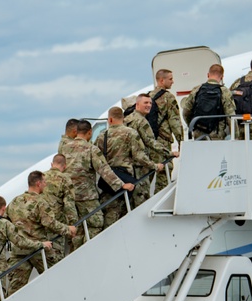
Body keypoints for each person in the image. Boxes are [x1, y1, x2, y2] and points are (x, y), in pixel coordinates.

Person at [63, 119, 134, 248]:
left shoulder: (65, 148)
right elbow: (104, 169)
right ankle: (88, 250)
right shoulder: (91, 148)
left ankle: (77, 253)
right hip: (86, 196)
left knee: (77, 227)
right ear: (89, 132)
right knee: (96, 222)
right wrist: (121, 185)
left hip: (69, 196)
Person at [5, 171, 75, 294]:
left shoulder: (14, 201)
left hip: (19, 250)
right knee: (58, 279)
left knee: (14, 292)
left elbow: (6, 222)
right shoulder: (40, 202)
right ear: (38, 183)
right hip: (38, 249)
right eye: (44, 182)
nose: (45, 184)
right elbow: (50, 223)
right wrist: (68, 230)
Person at [98, 107, 161, 225]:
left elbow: (98, 160)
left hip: (109, 179)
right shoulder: (131, 133)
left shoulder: (102, 136)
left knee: (111, 216)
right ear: (123, 118)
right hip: (126, 178)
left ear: (109, 120)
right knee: (128, 214)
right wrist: (154, 166)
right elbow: (139, 156)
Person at [125, 94, 176, 202]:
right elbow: (150, 141)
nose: (149, 105)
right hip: (140, 164)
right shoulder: (142, 121)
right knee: (142, 197)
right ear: (137, 104)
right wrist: (169, 153)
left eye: (150, 103)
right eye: (145, 103)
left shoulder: (128, 119)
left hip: (128, 164)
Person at [182, 63, 236, 141]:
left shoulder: (197, 89)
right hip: (216, 135)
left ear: (208, 75)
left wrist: (193, 126)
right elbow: (231, 117)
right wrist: (235, 136)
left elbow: (185, 112)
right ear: (222, 77)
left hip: (199, 134)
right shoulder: (224, 92)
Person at [152, 69, 184, 157]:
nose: (173, 82)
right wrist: (181, 143)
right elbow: (175, 122)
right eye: (170, 79)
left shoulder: (148, 96)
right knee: (166, 168)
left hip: (150, 141)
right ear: (162, 80)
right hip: (163, 141)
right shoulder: (168, 97)